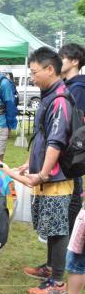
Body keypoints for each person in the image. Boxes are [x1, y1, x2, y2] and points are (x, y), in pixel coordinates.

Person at [1, 47, 74, 294]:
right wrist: (29, 165)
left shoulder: (60, 99)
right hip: (47, 174)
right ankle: (50, 268)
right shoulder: (49, 95)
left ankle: (56, 281)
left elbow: (56, 141)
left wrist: (42, 173)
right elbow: (43, 138)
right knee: (50, 227)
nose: (31, 77)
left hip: (57, 177)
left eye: (34, 72)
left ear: (50, 69)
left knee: (57, 229)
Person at [60, 43, 85, 233]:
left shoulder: (78, 88)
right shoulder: (68, 85)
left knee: (73, 195)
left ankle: (70, 247)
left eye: (62, 58)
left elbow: (75, 124)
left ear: (75, 61)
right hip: (68, 149)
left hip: (73, 150)